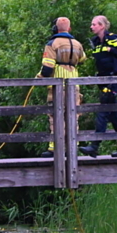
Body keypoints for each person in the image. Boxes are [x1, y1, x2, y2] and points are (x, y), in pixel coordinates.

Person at [79, 15, 117, 158]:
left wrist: (110, 50)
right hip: (103, 79)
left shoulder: (113, 38)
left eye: (94, 24)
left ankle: (94, 146)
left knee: (103, 109)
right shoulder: (95, 42)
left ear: (102, 26)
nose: (92, 27)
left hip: (114, 77)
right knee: (113, 113)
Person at [37, 17, 86, 158]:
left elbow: (47, 67)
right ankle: (72, 147)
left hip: (58, 85)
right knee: (73, 115)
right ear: (69, 29)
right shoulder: (77, 44)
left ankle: (54, 148)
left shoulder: (52, 43)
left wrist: (40, 78)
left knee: (55, 115)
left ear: (55, 28)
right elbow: (82, 58)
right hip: (74, 84)